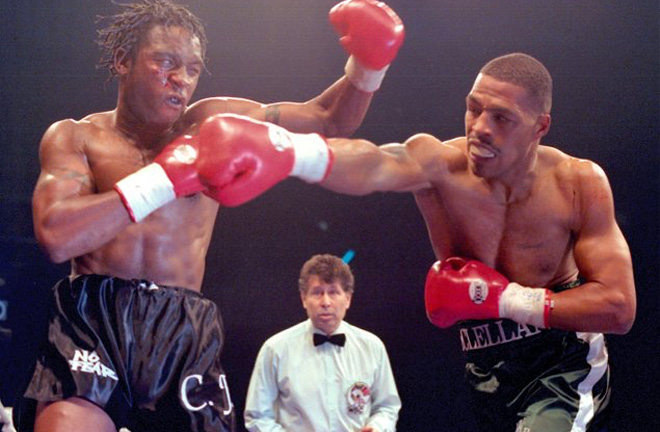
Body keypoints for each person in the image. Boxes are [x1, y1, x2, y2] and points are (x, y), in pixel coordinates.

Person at [190, 52, 636, 431]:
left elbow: (618, 307)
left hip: (560, 365)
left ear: (541, 127)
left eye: (502, 118)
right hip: (482, 370)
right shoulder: (440, 165)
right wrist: (287, 152)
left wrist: (508, 301)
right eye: (473, 108)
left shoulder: (577, 183)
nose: (480, 127)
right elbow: (374, 164)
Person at [16, 0, 405, 431]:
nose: (180, 80)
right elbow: (55, 235)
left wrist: (369, 65)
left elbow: (327, 120)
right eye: (165, 63)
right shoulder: (76, 136)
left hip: (183, 329)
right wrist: (165, 179)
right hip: (95, 322)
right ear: (123, 61)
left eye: (192, 69)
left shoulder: (212, 122)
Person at [244, 254, 401, 432]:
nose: (325, 302)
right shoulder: (275, 349)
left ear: (348, 298)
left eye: (333, 292)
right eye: (317, 292)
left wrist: (377, 428)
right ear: (304, 298)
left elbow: (387, 407)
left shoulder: (372, 347)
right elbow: (257, 416)